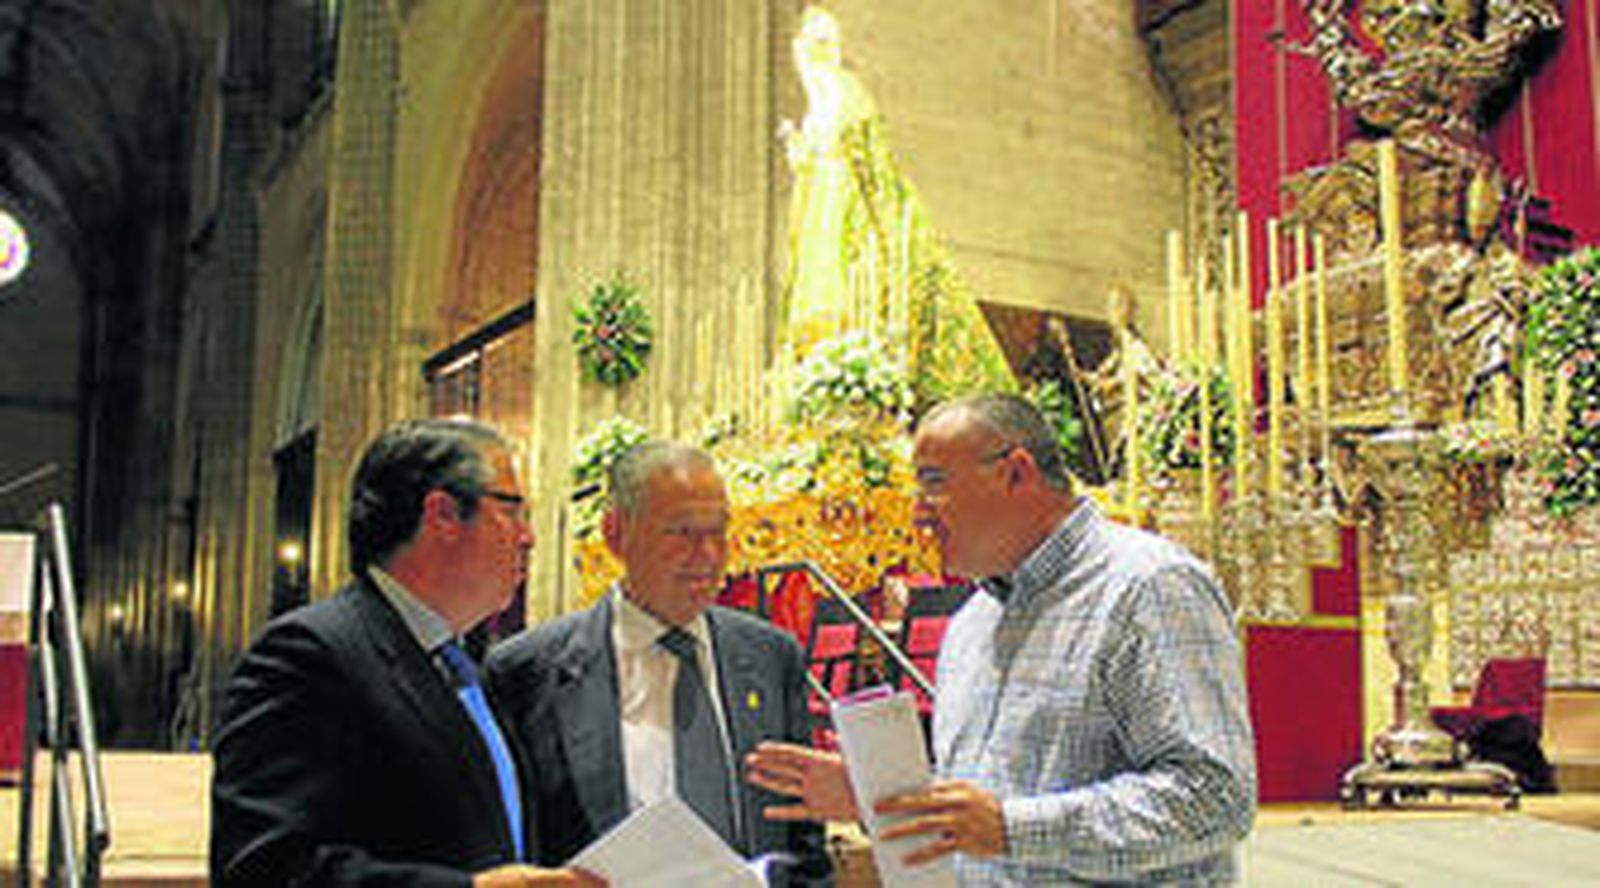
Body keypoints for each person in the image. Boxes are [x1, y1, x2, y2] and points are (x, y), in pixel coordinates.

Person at [746, 393, 1256, 884]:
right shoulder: (973, 621)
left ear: (1016, 472)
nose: (918, 513)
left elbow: (1214, 799)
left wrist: (1010, 829)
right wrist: (878, 796)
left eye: (934, 483)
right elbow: (976, 808)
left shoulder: (1148, 586)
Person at [210, 418, 595, 887]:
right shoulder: (309, 656)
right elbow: (262, 869)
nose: (528, 537)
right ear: (443, 514)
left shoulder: (469, 667)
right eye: (513, 510)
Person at [486, 442, 832, 886]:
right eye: (683, 532)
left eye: (718, 532)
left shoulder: (770, 656)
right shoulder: (527, 671)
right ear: (616, 534)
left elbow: (803, 847)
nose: (708, 554)